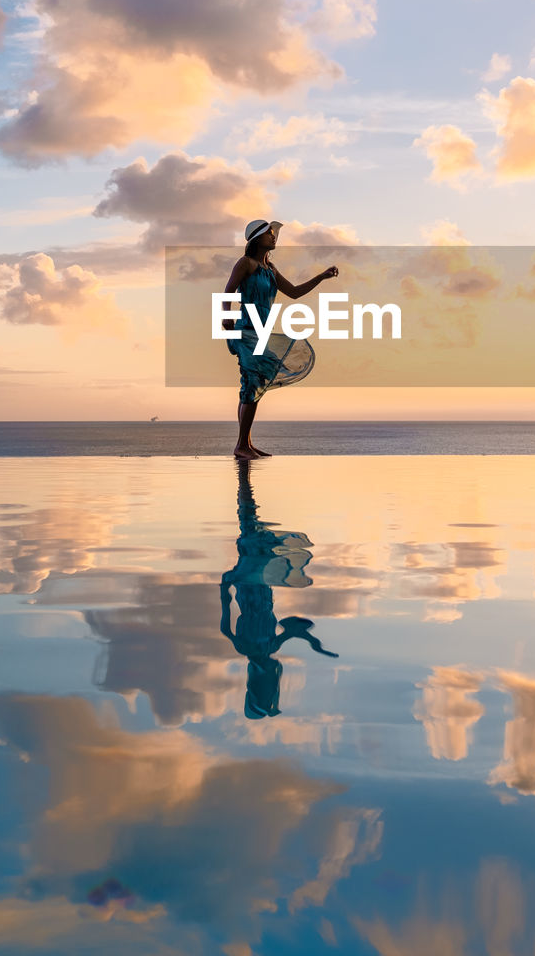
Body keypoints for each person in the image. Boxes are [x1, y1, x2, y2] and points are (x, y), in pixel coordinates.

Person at [220, 460, 338, 718]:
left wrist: (225, 587)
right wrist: (314, 643)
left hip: (250, 585)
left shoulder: (251, 648)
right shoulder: (265, 647)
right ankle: (245, 478)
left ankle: (244, 478)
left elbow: (224, 627)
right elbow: (293, 631)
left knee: (249, 526)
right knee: (252, 527)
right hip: (259, 587)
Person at [222, 219, 338, 459]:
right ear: (257, 238)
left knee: (251, 384)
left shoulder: (270, 269)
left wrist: (321, 277)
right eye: (270, 233)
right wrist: (226, 320)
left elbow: (294, 292)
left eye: (274, 233)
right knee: (253, 383)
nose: (274, 237)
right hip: (246, 330)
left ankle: (246, 444)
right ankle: (242, 446)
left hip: (261, 333)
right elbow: (228, 291)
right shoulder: (246, 263)